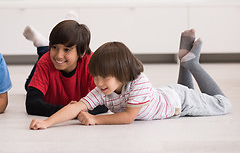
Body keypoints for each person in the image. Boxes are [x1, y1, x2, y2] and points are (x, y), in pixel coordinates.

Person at [29, 29, 232, 129]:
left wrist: (95, 119)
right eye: (95, 77)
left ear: (122, 73)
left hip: (181, 103)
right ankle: (184, 58)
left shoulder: (138, 83)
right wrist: (47, 123)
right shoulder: (103, 88)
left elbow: (128, 117)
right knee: (184, 88)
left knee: (223, 104)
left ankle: (191, 63)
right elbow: (76, 106)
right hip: (168, 93)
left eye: (104, 78)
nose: (98, 83)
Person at [24, 17, 108, 117]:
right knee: (29, 85)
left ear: (82, 52)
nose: (59, 55)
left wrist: (69, 112)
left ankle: (43, 46)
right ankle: (43, 47)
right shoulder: (46, 61)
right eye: (54, 47)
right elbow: (32, 104)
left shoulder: (92, 63)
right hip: (48, 62)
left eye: (67, 50)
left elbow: (104, 103)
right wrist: (70, 111)